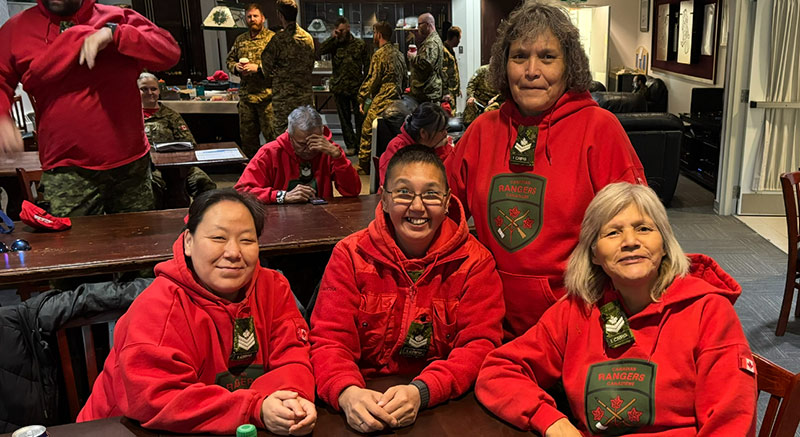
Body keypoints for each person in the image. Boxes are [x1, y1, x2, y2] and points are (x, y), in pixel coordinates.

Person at [476, 182, 757, 436]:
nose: (631, 241)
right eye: (612, 232)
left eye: (644, 228)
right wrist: (553, 422)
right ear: (594, 254)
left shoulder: (709, 311)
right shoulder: (576, 311)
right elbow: (498, 370)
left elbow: (731, 424)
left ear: (665, 245)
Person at [445, 2, 646, 340]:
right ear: (503, 65)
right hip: (491, 321)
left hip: (576, 322)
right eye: (519, 56)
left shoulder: (600, 129)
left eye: (548, 57)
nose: (531, 70)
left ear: (570, 65)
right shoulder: (483, 130)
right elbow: (443, 211)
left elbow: (635, 235)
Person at [78, 189, 317, 435]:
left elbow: (293, 354)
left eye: (247, 240)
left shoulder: (273, 287)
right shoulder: (159, 306)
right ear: (188, 242)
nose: (234, 253)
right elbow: (155, 398)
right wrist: (254, 408)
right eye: (218, 238)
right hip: (122, 429)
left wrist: (288, 401)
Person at [309, 145, 504, 433]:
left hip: (440, 402)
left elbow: (479, 346)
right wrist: (346, 392)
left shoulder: (476, 262)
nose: (417, 206)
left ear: (448, 200)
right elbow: (329, 340)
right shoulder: (350, 255)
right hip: (364, 398)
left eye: (430, 194)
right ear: (384, 200)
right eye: (403, 193)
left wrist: (423, 391)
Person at [0, 0, 180, 217]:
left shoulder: (117, 17)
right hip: (65, 167)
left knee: (137, 241)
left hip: (130, 164)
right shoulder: (17, 28)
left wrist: (114, 34)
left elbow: (169, 52)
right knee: (74, 246)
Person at [235, 105, 360, 204]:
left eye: (315, 142)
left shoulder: (330, 151)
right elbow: (241, 192)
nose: (310, 149)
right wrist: (281, 196)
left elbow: (352, 191)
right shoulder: (270, 152)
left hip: (321, 218)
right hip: (278, 221)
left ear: (322, 132)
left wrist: (339, 158)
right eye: (302, 144)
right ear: (290, 136)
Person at [138, 73, 217, 208]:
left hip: (180, 166)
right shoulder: (131, 117)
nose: (150, 93)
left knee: (205, 184)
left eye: (153, 89)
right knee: (154, 189)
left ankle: (202, 220)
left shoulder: (171, 115)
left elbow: (190, 143)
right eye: (144, 89)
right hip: (148, 169)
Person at [226, 3, 277, 158]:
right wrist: (236, 68)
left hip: (267, 97)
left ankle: (275, 171)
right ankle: (252, 172)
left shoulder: (272, 39)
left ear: (262, 18)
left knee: (273, 139)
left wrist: (259, 68)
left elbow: (280, 66)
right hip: (247, 98)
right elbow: (230, 60)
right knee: (248, 140)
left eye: (255, 16)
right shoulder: (240, 39)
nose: (252, 19)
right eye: (249, 17)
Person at [357, 21, 407, 174]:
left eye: (374, 33)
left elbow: (373, 79)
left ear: (378, 34)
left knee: (367, 128)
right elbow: (405, 78)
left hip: (384, 97)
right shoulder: (399, 54)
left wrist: (361, 97)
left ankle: (364, 165)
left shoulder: (379, 54)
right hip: (397, 98)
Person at [319, 17, 370, 156]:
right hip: (340, 87)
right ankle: (351, 145)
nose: (340, 33)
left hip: (357, 87)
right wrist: (332, 38)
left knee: (360, 119)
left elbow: (368, 65)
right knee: (344, 119)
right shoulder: (335, 45)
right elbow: (320, 51)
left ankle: (360, 146)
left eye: (342, 30)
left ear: (348, 28)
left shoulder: (360, 44)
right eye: (337, 31)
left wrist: (366, 86)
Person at [262, 0, 315, 135]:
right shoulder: (307, 38)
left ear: (280, 15)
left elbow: (266, 68)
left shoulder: (278, 39)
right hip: (304, 98)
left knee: (283, 138)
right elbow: (310, 65)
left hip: (284, 100)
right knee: (305, 135)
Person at [378, 102, 451, 185]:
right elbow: (392, 186)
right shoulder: (397, 148)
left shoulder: (439, 145)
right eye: (441, 130)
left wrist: (441, 151)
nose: (445, 134)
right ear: (423, 133)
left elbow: (448, 178)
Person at [407, 13, 443, 105]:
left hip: (427, 94)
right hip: (426, 94)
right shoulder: (431, 40)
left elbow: (426, 64)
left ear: (428, 25)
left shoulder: (431, 42)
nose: (418, 27)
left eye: (420, 24)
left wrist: (413, 57)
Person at [442, 26, 462, 108]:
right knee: (449, 115)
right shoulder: (444, 51)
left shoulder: (450, 50)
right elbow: (443, 72)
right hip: (448, 93)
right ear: (454, 38)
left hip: (452, 91)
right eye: (459, 38)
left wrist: (457, 89)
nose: (459, 41)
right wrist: (446, 92)